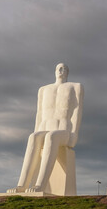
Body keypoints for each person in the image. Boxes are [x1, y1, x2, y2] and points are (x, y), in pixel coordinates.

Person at [8, 63, 83, 193]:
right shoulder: (43, 89)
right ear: (55, 71)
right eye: (59, 68)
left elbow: (77, 110)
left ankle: (40, 184)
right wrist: (36, 129)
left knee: (52, 136)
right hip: (45, 126)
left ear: (68, 72)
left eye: (64, 68)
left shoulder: (75, 87)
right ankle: (22, 184)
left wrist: (74, 133)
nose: (61, 70)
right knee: (33, 137)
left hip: (64, 129)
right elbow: (39, 113)